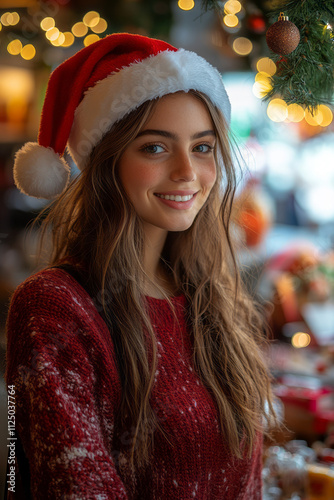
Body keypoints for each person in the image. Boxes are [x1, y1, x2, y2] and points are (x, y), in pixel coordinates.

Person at [5, 33, 277, 499]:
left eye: (203, 147)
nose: (187, 172)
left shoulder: (206, 290)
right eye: (155, 147)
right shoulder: (55, 309)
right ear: (108, 162)